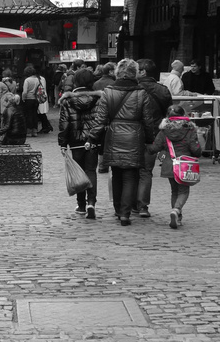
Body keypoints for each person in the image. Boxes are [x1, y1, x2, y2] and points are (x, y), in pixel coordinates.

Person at [86, 58, 155, 226]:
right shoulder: (142, 93)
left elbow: (100, 119)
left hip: (114, 136)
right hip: (134, 136)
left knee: (116, 173)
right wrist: (150, 140)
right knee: (131, 176)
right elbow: (148, 121)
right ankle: (125, 213)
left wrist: (92, 137)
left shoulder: (108, 92)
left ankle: (118, 210)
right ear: (134, 73)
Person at [147, 104, 202, 229]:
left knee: (174, 191)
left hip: (169, 164)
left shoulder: (164, 131)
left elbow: (155, 148)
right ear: (183, 115)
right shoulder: (189, 129)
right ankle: (176, 210)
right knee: (183, 190)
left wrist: (145, 147)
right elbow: (196, 150)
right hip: (185, 165)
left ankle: (178, 218)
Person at [58, 68, 101, 219]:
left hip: (75, 142)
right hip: (92, 141)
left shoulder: (68, 101)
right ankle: (91, 202)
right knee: (91, 171)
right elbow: (100, 121)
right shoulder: (99, 99)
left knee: (79, 172)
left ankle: (81, 205)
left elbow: (64, 124)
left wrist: (63, 143)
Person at [135, 58, 172, 218]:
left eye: (136, 70)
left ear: (143, 72)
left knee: (131, 170)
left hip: (133, 134)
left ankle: (129, 205)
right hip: (154, 135)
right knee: (146, 172)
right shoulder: (163, 90)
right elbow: (168, 114)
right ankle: (143, 206)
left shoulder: (133, 89)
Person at [20, 64, 42, 135]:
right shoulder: (37, 79)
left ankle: (29, 130)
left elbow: (25, 91)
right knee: (35, 114)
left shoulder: (27, 80)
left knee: (28, 115)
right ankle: (35, 130)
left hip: (28, 99)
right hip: (36, 99)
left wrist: (23, 98)